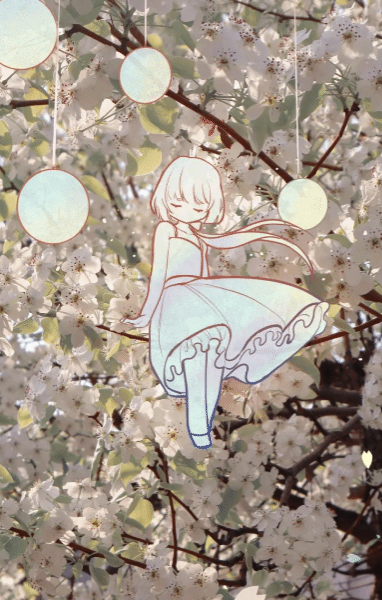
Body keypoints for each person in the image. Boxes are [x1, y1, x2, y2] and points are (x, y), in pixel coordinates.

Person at [126, 156, 329, 449]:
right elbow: (159, 275)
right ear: (166, 198)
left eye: (200, 205)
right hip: (176, 304)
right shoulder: (166, 230)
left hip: (200, 299)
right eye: (180, 200)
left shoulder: (198, 237)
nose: (190, 209)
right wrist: (146, 314)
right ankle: (198, 426)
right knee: (198, 364)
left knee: (209, 363)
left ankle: (200, 428)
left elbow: (203, 275)